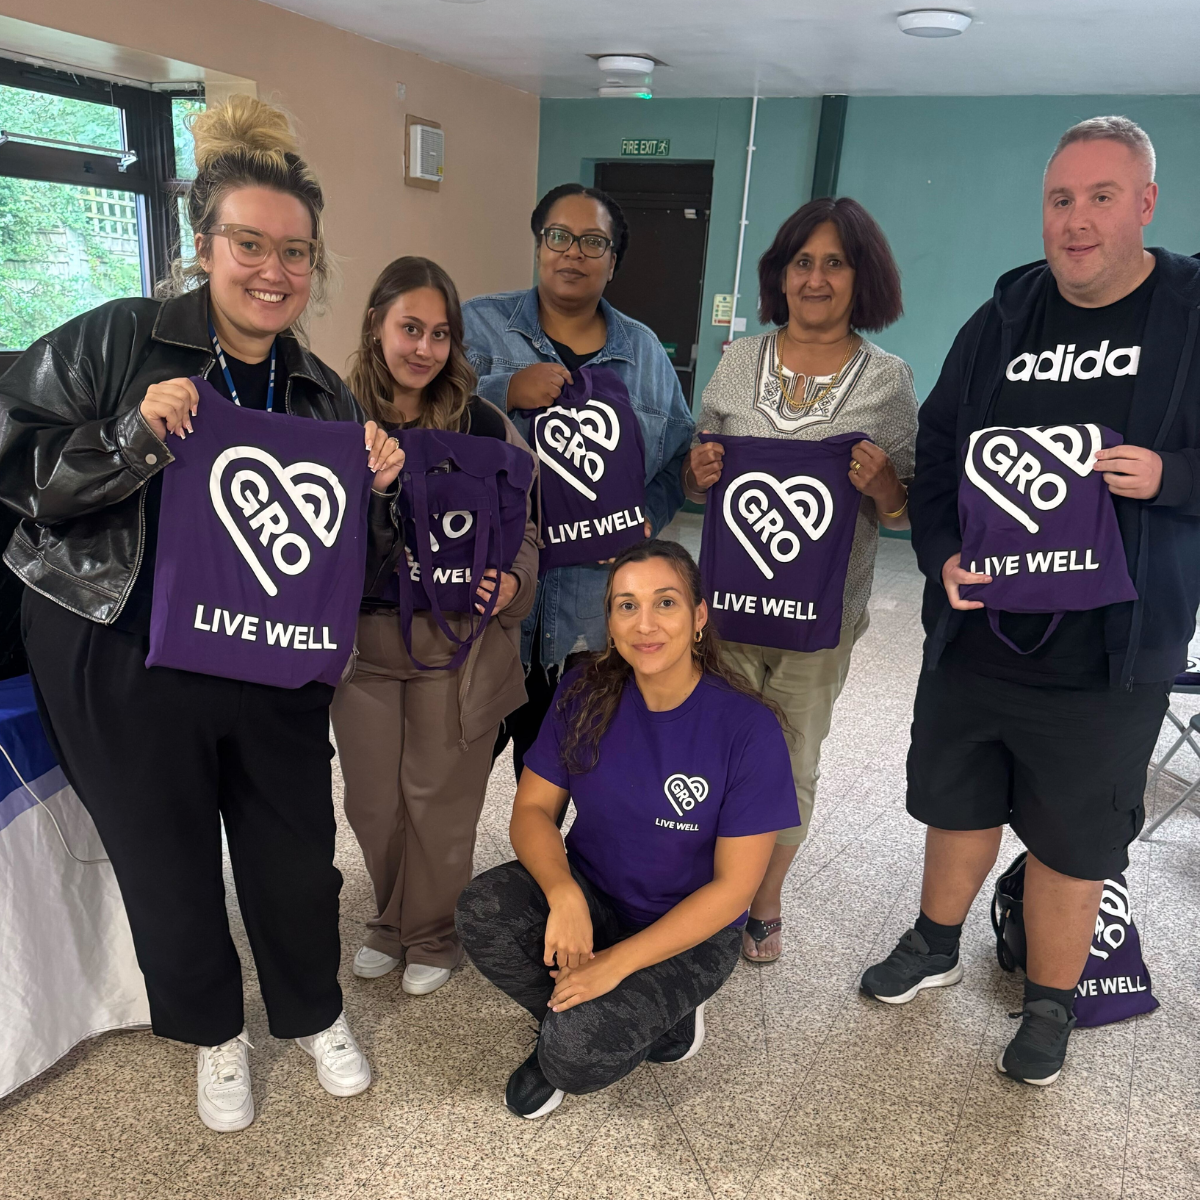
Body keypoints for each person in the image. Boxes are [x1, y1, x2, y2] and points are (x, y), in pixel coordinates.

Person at [0, 97, 404, 1131]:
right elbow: (17, 466)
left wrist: (382, 491)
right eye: (250, 245)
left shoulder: (321, 392)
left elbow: (355, 569)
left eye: (296, 253)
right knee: (165, 854)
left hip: (266, 654)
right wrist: (133, 437)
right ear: (204, 244)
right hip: (123, 647)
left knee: (292, 849)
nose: (273, 272)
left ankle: (312, 1013)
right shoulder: (120, 340)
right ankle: (213, 1034)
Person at [862, 116, 1200, 1086]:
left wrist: (1171, 475)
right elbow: (935, 463)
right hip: (983, 630)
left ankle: (1052, 1004)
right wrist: (941, 556)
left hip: (1111, 649)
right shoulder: (1003, 320)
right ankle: (934, 944)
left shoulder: (1189, 317)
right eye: (1061, 200)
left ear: (1144, 205)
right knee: (958, 799)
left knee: (1072, 833)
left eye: (1101, 198)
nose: (1077, 220)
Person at [455, 539, 799, 1118]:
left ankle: (662, 1022)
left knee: (572, 1055)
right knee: (480, 909)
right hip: (595, 894)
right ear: (609, 619)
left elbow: (734, 891)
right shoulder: (585, 690)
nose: (645, 625)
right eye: (626, 605)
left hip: (687, 929)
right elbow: (533, 811)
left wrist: (616, 964)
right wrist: (565, 896)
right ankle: (585, 1011)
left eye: (665, 603)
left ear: (698, 617)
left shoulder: (747, 729)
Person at [684, 197, 917, 963]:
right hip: (726, 610)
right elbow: (698, 480)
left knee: (790, 760)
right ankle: (703, 882)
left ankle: (763, 896)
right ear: (780, 275)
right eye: (801, 262)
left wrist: (883, 485)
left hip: (821, 618)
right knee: (712, 750)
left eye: (834, 263)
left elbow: (905, 512)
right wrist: (701, 470)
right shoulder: (737, 361)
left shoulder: (888, 381)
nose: (815, 278)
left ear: (863, 277)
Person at [333, 256, 539, 996]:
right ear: (376, 328)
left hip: (458, 643)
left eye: (440, 334)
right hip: (360, 643)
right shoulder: (330, 415)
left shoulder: (484, 424)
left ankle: (432, 932)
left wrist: (511, 582)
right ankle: (390, 919)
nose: (424, 348)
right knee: (373, 800)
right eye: (409, 329)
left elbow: (526, 528)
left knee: (440, 799)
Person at [462, 183, 695, 778]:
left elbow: (676, 456)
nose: (573, 253)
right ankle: (439, 875)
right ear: (540, 244)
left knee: (560, 772)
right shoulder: (478, 326)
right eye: (559, 237)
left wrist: (647, 514)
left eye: (594, 242)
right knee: (455, 769)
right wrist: (502, 391)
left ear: (613, 261)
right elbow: (420, 414)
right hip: (486, 594)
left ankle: (543, 872)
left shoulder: (643, 352)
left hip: (587, 618)